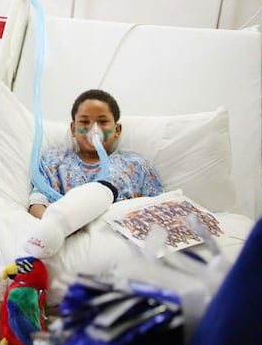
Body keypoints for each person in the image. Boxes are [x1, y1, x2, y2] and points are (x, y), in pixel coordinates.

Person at [24, 89, 164, 258]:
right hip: (66, 244)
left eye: (103, 122)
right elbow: (37, 204)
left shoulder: (135, 166)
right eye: (84, 122)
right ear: (73, 129)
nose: (93, 129)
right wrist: (56, 226)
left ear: (117, 129)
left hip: (117, 246)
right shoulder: (54, 162)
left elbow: (159, 207)